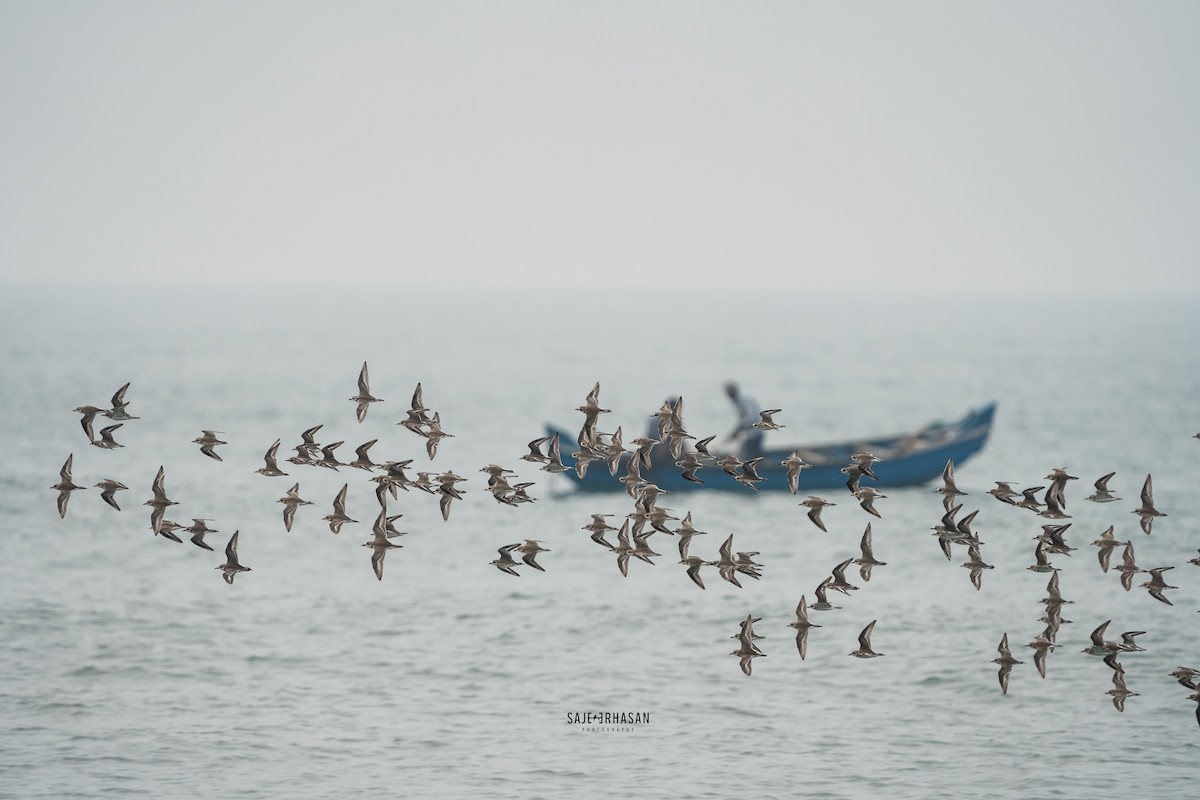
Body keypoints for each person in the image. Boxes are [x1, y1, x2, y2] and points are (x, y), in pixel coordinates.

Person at [724, 381, 764, 458]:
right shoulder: (741, 400)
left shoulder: (742, 401)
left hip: (754, 435)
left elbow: (750, 419)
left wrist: (735, 432)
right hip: (754, 434)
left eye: (729, 391)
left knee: (748, 458)